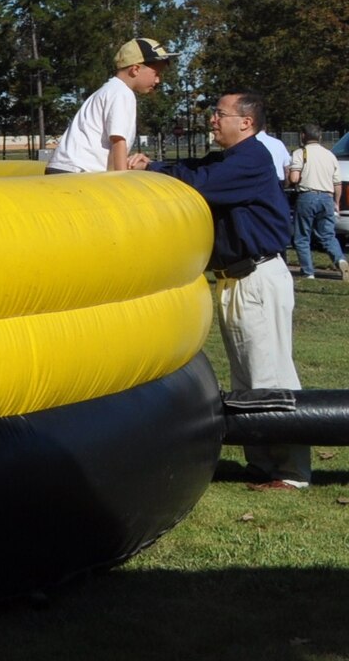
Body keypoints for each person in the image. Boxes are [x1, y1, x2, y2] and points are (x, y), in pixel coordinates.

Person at [130, 91, 308, 490]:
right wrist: (153, 165)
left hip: (256, 278)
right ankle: (263, 463)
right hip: (238, 279)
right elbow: (194, 165)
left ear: (245, 122)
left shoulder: (250, 159)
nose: (212, 120)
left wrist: (152, 171)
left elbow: (199, 182)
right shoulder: (232, 158)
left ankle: (291, 472)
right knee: (248, 376)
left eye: (219, 114)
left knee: (269, 374)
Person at [44, 38, 171, 174]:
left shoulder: (109, 90)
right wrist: (122, 180)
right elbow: (118, 141)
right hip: (77, 172)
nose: (158, 80)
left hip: (65, 168)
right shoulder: (122, 93)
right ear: (135, 69)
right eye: (156, 74)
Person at [287, 128, 345, 279]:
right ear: (319, 137)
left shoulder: (300, 153)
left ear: (303, 136)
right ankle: (340, 259)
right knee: (328, 235)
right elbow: (337, 183)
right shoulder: (330, 155)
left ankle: (308, 272)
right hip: (327, 197)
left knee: (302, 237)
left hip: (307, 196)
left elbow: (294, 178)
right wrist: (336, 203)